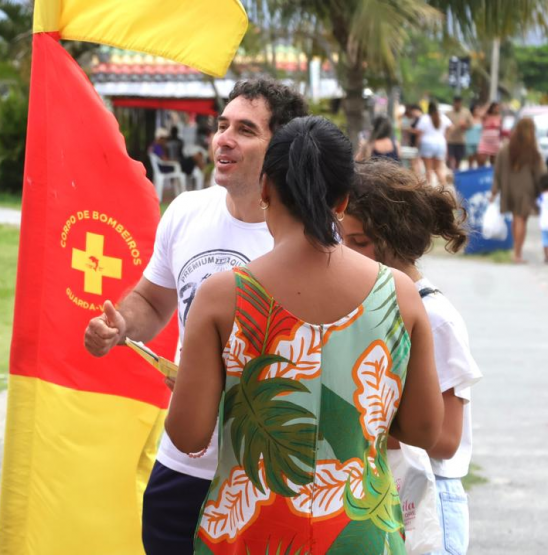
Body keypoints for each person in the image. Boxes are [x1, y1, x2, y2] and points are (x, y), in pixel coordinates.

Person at [165, 117, 443, 553]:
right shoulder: (400, 295)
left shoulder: (222, 296)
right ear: (343, 199)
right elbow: (425, 431)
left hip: (249, 534)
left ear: (265, 189)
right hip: (360, 534)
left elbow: (188, 436)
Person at [84, 77, 309, 554]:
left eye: (245, 130)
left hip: (267, 468)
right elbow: (153, 301)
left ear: (281, 148)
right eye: (222, 125)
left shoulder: (310, 234)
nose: (223, 139)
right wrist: (121, 324)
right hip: (184, 461)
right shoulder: (187, 211)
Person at [342, 158, 483, 555]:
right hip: (388, 490)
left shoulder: (434, 317)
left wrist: (360, 421)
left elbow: (447, 439)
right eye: (341, 239)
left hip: (429, 497)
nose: (346, 253)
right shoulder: (370, 302)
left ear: (397, 239)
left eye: (359, 242)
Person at [490, 117, 548, 263]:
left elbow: (497, 171)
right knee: (521, 220)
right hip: (526, 190)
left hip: (509, 190)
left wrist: (495, 190)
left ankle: (516, 251)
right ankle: (517, 254)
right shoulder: (532, 150)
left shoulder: (505, 149)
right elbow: (541, 173)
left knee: (516, 219)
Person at [414, 100, 452, 185]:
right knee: (438, 169)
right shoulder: (442, 117)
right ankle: (444, 187)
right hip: (441, 144)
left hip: (427, 144)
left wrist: (417, 146)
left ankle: (430, 188)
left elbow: (419, 133)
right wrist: (445, 136)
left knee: (428, 170)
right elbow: (450, 126)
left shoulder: (425, 118)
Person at [446, 96, 473, 171]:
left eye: (459, 103)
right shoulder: (448, 113)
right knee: (450, 158)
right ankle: (450, 171)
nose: (457, 104)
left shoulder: (466, 112)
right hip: (450, 140)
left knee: (458, 159)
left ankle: (456, 172)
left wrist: (465, 125)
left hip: (460, 140)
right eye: (456, 102)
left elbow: (471, 124)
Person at [465, 102, 484, 169]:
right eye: (476, 109)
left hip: (479, 143)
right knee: (470, 162)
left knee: (480, 162)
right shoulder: (468, 119)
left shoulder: (482, 120)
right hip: (470, 142)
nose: (477, 111)